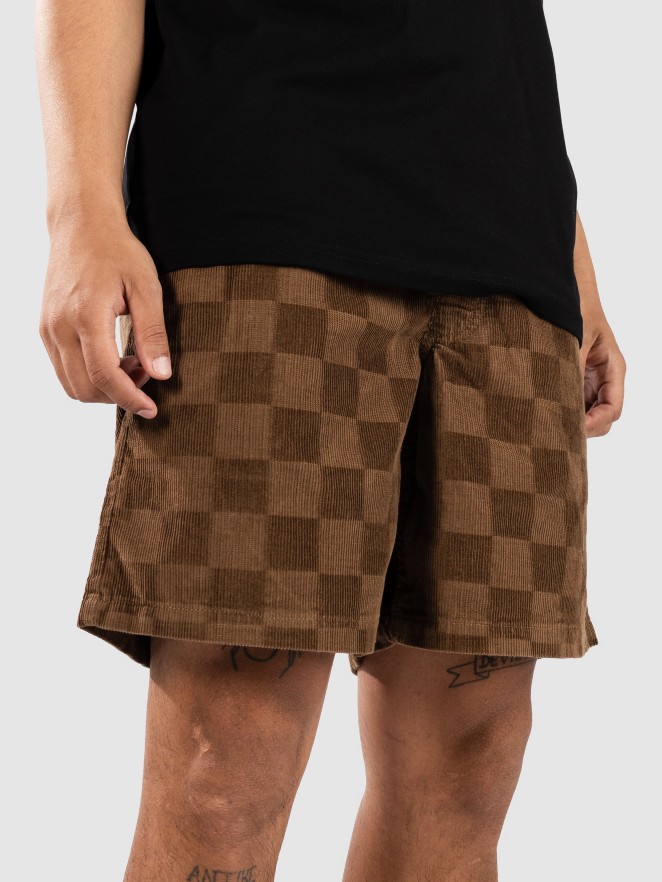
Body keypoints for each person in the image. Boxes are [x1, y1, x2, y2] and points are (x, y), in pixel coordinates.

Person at [35, 0, 626, 878]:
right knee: (228, 765)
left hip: (511, 257)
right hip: (266, 211)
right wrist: (79, 209)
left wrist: (573, 272)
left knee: (470, 766)